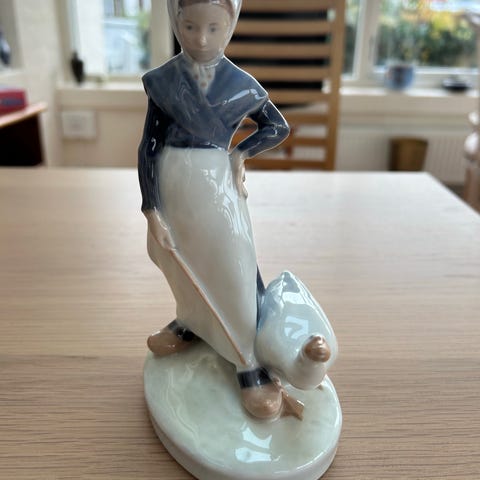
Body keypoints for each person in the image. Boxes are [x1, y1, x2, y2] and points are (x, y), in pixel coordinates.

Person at [138, 0, 290, 420]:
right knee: (179, 259)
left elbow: (277, 126)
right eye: (190, 27)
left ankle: (248, 362)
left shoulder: (241, 84)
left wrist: (241, 152)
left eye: (213, 28)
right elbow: (149, 146)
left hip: (214, 183)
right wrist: (152, 209)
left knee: (231, 263)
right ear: (176, 23)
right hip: (171, 182)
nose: (201, 39)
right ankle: (191, 321)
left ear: (231, 26)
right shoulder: (164, 81)